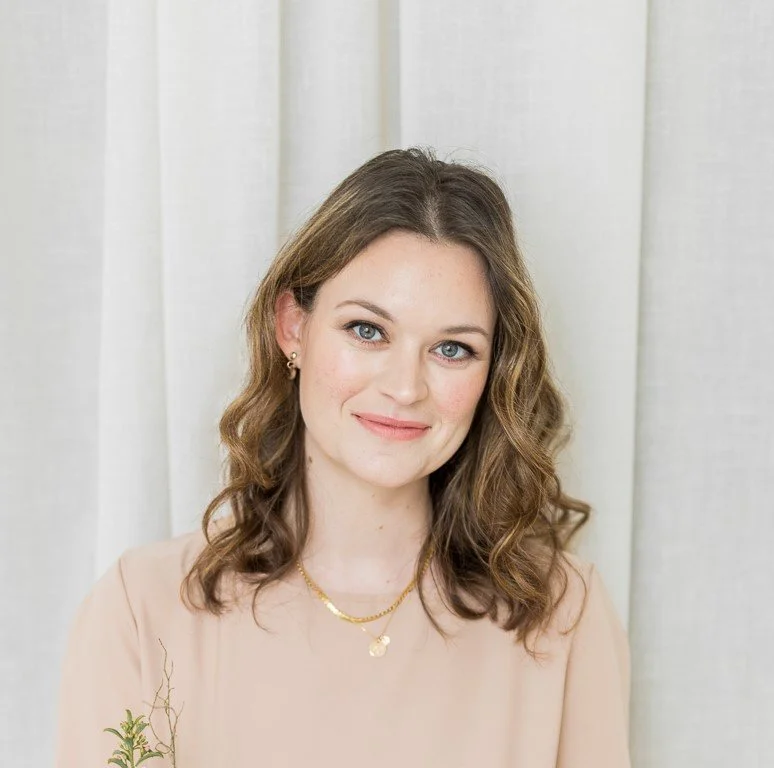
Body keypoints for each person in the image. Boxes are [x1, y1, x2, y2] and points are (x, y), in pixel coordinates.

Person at [54, 147, 631, 767]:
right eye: (367, 330)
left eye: (453, 349)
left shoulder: (563, 615)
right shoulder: (143, 610)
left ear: (493, 373)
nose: (405, 387)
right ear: (292, 328)